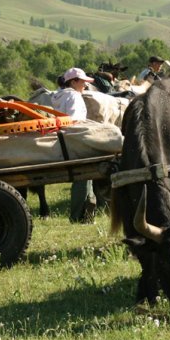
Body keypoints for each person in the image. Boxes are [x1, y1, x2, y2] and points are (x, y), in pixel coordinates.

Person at [52, 67, 96, 223]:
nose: (85, 85)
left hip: (61, 140)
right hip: (74, 141)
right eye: (83, 81)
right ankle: (79, 216)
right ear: (74, 81)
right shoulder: (74, 97)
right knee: (85, 175)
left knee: (86, 177)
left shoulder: (58, 95)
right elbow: (75, 122)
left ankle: (86, 215)